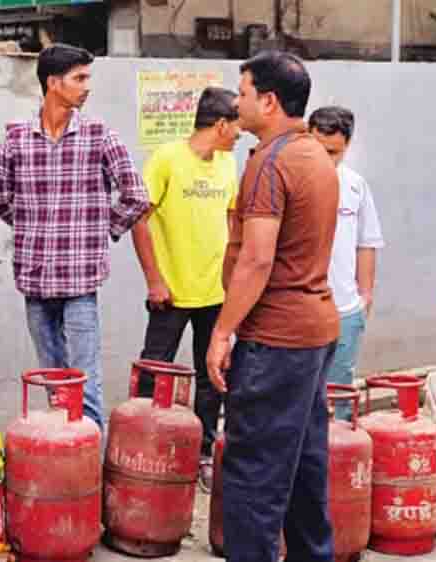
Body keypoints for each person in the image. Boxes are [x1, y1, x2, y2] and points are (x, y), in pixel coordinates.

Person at [206, 50, 339, 562]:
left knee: (253, 476)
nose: (236, 105)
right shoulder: (315, 157)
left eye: (242, 94)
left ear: (268, 100)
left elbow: (257, 260)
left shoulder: (272, 161)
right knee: (305, 466)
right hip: (313, 331)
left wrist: (222, 333)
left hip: (277, 338)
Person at [0, 43, 149, 429]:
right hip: (35, 280)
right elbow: (0, 201)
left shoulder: (99, 136)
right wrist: (36, 230)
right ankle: (63, 457)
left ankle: (89, 472)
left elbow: (137, 196)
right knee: (52, 380)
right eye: (79, 78)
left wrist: (101, 230)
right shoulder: (17, 141)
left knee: (85, 381)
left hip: (80, 282)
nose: (86, 86)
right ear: (52, 83)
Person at [131, 86, 241, 490]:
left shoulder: (229, 164)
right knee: (153, 370)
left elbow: (233, 224)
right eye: (238, 125)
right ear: (221, 124)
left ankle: (205, 454)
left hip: (216, 292)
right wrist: (154, 280)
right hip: (172, 292)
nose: (241, 133)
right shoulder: (166, 159)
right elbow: (139, 219)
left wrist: (233, 282)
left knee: (212, 375)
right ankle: (143, 447)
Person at [308, 106, 385, 419]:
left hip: (345, 308)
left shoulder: (354, 186)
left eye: (333, 152)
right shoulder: (291, 181)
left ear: (347, 146)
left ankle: (336, 456)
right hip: (302, 309)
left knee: (339, 394)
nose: (326, 159)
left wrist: (364, 296)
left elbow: (366, 243)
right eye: (319, 150)